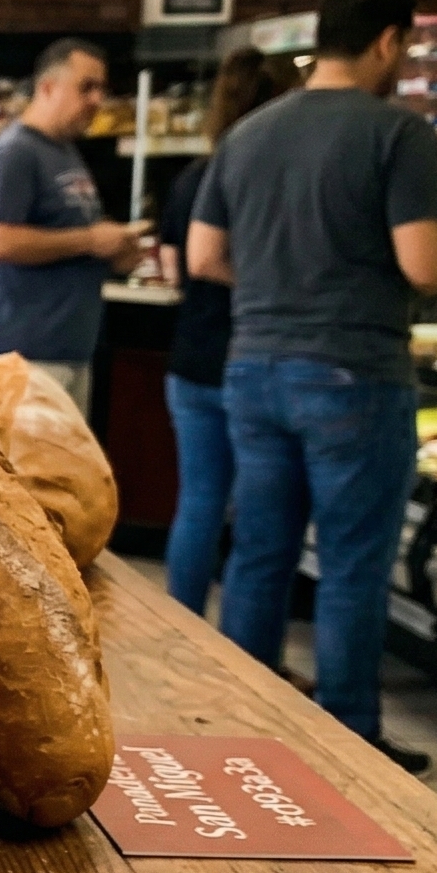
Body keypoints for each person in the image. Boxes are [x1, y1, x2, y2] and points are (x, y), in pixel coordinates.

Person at [187, 0, 437, 771]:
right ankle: (348, 745)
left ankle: (232, 731)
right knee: (350, 563)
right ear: (389, 41)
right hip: (353, 372)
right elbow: (426, 263)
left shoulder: (249, 132)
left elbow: (204, 257)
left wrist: (285, 285)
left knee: (260, 551)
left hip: (254, 368)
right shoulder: (394, 133)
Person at [155, 49, 297, 615]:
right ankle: (245, 650)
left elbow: (174, 266)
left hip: (190, 358)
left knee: (199, 503)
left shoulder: (192, 177)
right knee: (259, 520)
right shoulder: (272, 179)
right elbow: (204, 259)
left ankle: (179, 627)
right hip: (250, 361)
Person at [0, 38, 150, 408]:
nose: (97, 100)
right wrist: (89, 240)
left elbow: (72, 238)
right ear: (47, 87)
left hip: (69, 355)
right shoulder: (14, 153)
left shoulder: (65, 153)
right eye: (87, 87)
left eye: (102, 88)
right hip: (21, 362)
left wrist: (115, 252)